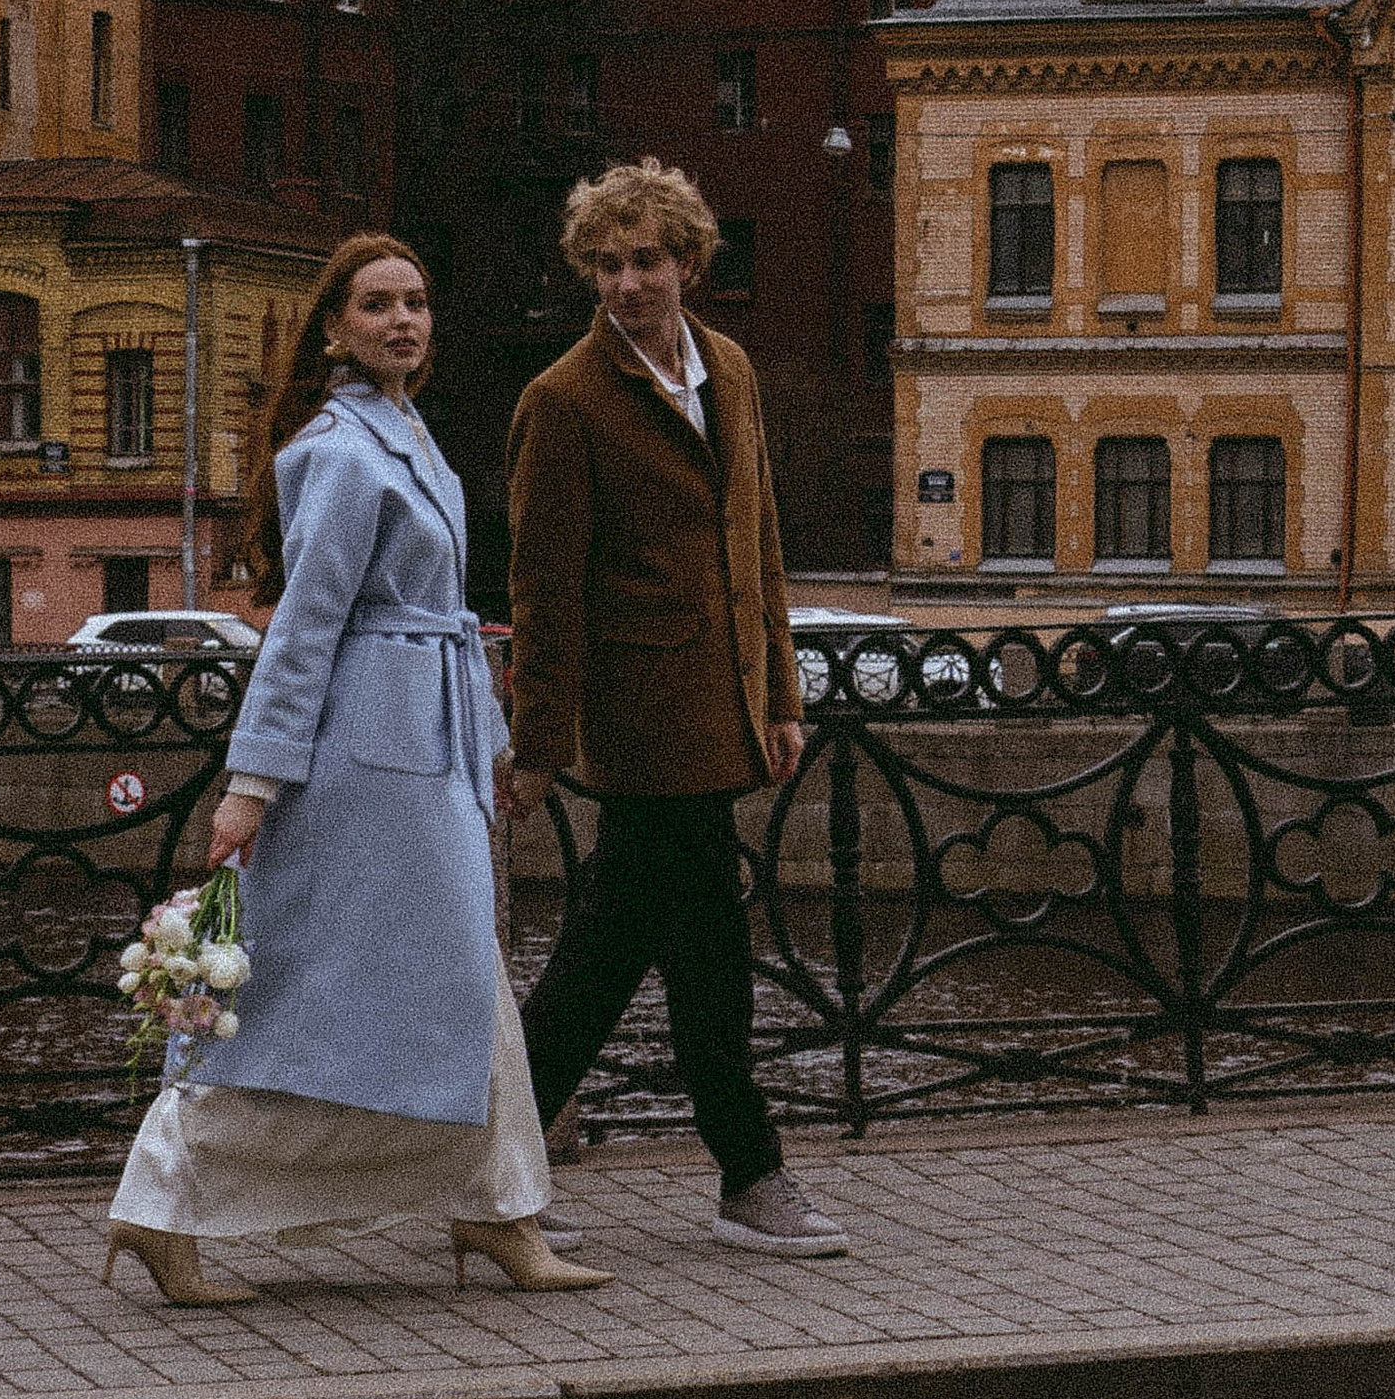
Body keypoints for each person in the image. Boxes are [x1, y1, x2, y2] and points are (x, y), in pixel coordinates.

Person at [107, 234, 604, 1308]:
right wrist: (252, 782)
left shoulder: (404, 433)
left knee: (466, 986)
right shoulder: (337, 450)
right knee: (308, 997)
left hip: (425, 750)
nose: (403, 322)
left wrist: (497, 751)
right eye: (377, 305)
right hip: (368, 762)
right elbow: (307, 629)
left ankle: (498, 1209)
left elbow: (441, 625)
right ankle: (161, 1205)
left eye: (417, 303)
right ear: (333, 328)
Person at [502, 158, 846, 1257]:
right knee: (660, 961)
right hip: (645, 723)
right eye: (606, 264)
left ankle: (499, 1168)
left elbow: (762, 541)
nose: (625, 283)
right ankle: (744, 1173)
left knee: (653, 955)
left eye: (646, 260)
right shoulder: (562, 401)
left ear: (689, 264)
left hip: (725, 709)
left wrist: (782, 694)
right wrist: (537, 747)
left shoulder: (731, 368)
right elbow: (541, 593)